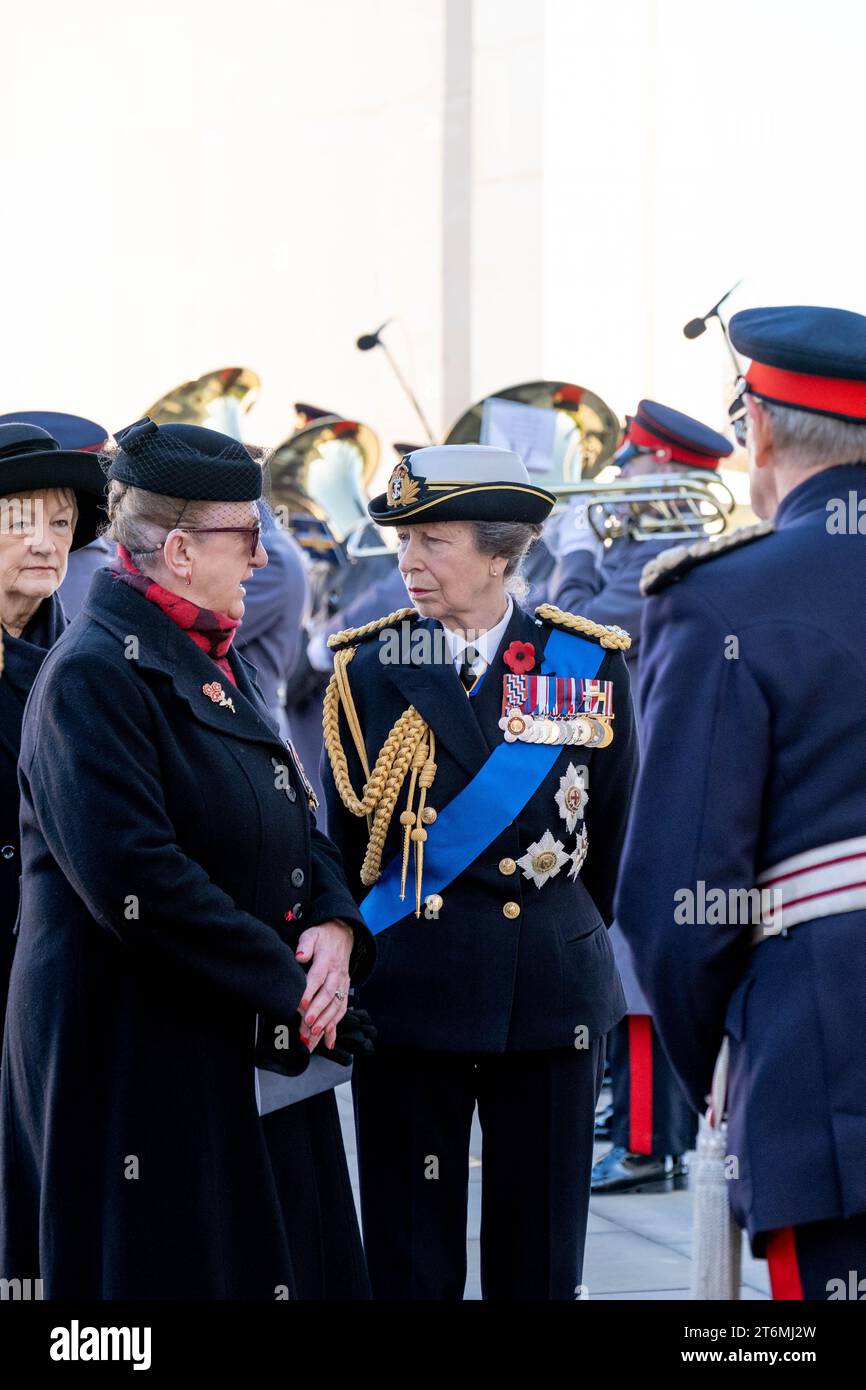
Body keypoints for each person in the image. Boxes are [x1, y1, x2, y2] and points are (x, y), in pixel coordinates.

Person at [0, 417, 373, 1300]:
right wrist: (294, 986)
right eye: (246, 537)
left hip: (228, 1032)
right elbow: (140, 878)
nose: (262, 560)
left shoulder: (211, 650)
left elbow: (292, 804)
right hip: (131, 1054)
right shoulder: (94, 672)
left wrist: (333, 923)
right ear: (176, 549)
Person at [321, 444, 638, 1300]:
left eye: (433, 539)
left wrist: (556, 934)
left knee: (539, 1259)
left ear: (502, 551)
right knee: (409, 1256)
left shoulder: (585, 661)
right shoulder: (366, 667)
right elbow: (343, 848)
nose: (408, 561)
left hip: (548, 992)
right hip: (410, 993)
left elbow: (609, 834)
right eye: (401, 540)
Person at [616, 305, 866, 1299]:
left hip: (829, 1063)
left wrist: (725, 1072)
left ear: (755, 429)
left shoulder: (717, 596)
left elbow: (671, 902)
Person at [550, 401, 733, 1195]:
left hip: (656, 777)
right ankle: (644, 1129)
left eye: (635, 464)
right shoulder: (665, 545)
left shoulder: (667, 552)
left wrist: (578, 551)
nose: (619, 478)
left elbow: (570, 637)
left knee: (637, 970)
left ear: (667, 469)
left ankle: (649, 1142)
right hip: (658, 771)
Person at [0, 421, 106, 1059]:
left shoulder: (91, 659)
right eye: (19, 520)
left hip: (55, 986)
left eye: (62, 524)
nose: (45, 543)